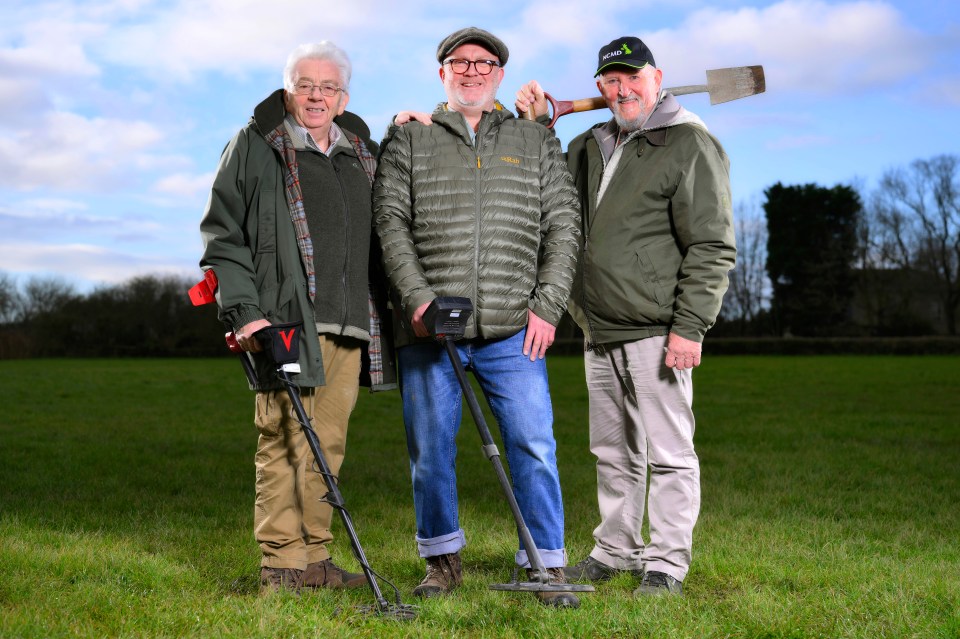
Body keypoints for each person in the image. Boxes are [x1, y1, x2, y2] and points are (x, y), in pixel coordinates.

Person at [516, 36, 736, 596]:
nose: (623, 89)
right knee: (612, 450)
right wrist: (543, 124)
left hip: (659, 328)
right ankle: (616, 549)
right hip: (598, 326)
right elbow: (551, 192)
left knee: (669, 454)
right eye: (612, 81)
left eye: (633, 78)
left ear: (656, 78)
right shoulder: (591, 143)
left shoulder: (688, 143)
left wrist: (690, 326)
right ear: (599, 88)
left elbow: (711, 244)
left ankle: (666, 563)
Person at [373, 27, 583, 608]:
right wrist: (417, 301)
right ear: (442, 72)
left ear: (499, 74)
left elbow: (564, 226)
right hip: (429, 330)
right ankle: (442, 562)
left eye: (484, 63)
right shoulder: (409, 140)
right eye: (459, 63)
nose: (471, 71)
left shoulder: (534, 140)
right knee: (431, 450)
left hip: (514, 328)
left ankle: (545, 565)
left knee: (534, 444)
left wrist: (548, 306)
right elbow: (390, 222)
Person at [198, 41, 396, 596]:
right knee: (284, 436)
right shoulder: (256, 145)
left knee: (326, 444)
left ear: (343, 97)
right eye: (305, 84)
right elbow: (222, 233)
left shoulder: (361, 151)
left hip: (350, 321)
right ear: (289, 90)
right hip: (282, 318)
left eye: (327, 86)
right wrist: (245, 313)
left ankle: (315, 559)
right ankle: (281, 564)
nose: (315, 95)